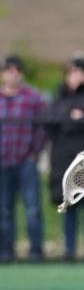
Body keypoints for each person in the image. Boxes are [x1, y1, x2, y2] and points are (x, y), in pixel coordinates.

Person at [46, 57, 84, 260]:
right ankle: (69, 250)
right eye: (71, 72)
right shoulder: (59, 100)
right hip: (65, 163)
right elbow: (51, 122)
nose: (74, 77)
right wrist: (73, 117)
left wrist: (75, 120)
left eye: (79, 72)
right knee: (69, 206)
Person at [0, 55, 46, 262]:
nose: (12, 74)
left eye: (16, 70)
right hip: (3, 162)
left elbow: (42, 128)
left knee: (32, 208)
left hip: (26, 161)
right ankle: (6, 252)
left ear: (22, 73)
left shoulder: (33, 98)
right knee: (4, 210)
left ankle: (36, 252)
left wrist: (34, 153)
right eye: (8, 70)